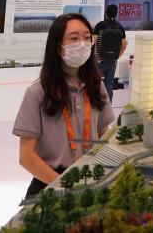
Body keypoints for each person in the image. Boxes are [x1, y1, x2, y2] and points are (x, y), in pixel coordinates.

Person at [13, 13, 114, 199]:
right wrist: (66, 187)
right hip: (50, 183)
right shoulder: (38, 92)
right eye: (74, 38)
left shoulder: (96, 86)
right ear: (57, 45)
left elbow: (103, 135)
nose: (82, 44)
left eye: (87, 37)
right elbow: (26, 157)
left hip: (90, 179)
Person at [92, 4, 127, 102]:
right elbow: (124, 46)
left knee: (96, 85)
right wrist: (116, 57)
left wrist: (95, 57)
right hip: (112, 61)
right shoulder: (120, 27)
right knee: (109, 86)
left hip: (99, 60)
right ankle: (108, 108)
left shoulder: (100, 25)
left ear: (106, 13)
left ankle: (97, 107)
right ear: (116, 14)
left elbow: (94, 42)